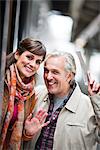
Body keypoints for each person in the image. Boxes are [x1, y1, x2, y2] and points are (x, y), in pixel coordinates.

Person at [24, 50, 100, 150]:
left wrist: (97, 101)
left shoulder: (90, 107)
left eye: (55, 72)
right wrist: (27, 134)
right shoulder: (35, 94)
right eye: (46, 71)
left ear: (69, 76)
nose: (48, 77)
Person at [0, 37, 49, 150]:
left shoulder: (30, 94)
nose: (32, 64)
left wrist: (27, 133)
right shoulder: (2, 81)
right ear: (17, 54)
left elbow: (16, 135)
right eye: (29, 57)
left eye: (38, 62)